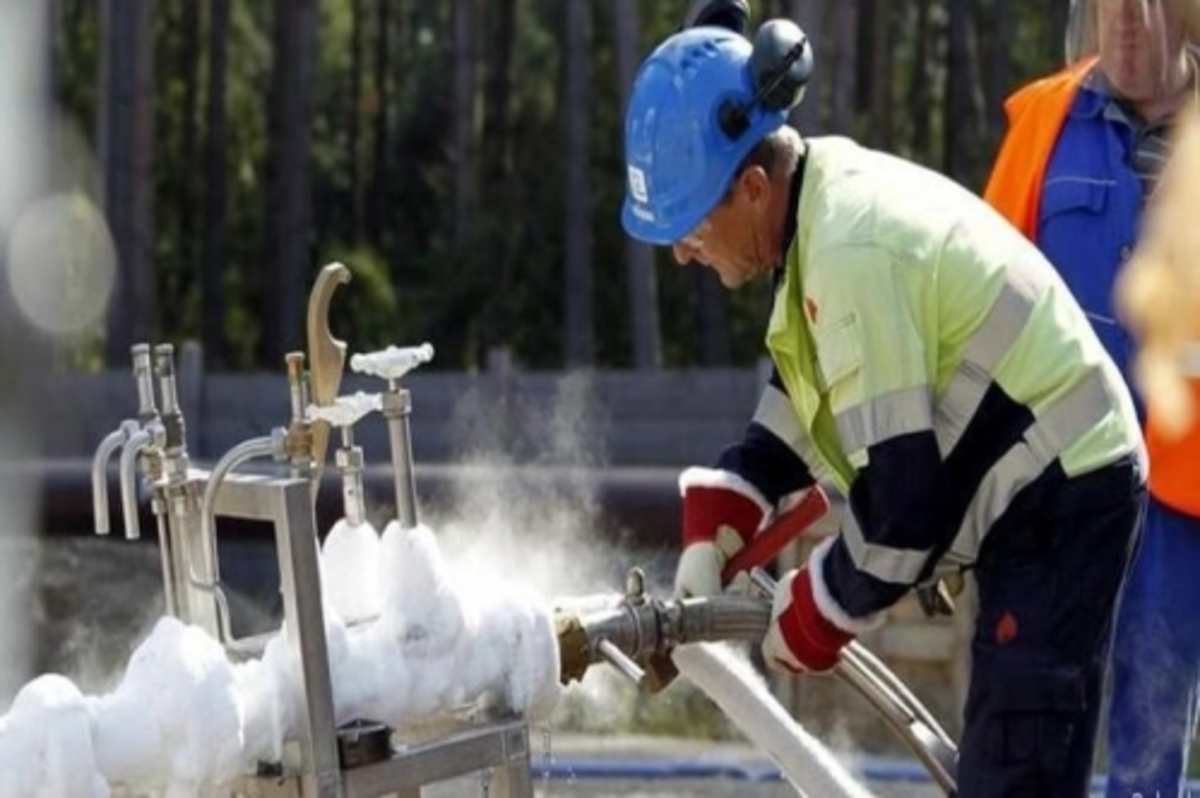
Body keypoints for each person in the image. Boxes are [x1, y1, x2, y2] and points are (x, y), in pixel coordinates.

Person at [621, 19, 1146, 796]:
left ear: (753, 188)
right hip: (1047, 481)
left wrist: (818, 610)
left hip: (1064, 492)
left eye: (691, 224)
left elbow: (902, 515)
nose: (682, 252)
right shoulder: (819, 211)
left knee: (1017, 766)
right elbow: (810, 396)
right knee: (1008, 757)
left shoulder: (849, 251)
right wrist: (740, 489)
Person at [983, 1, 1200, 793]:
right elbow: (981, 301)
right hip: (1053, 489)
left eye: (1146, 3)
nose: (1127, 22)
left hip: (1183, 505)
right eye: (1109, 4)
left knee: (1150, 740)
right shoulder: (1043, 121)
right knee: (1031, 713)